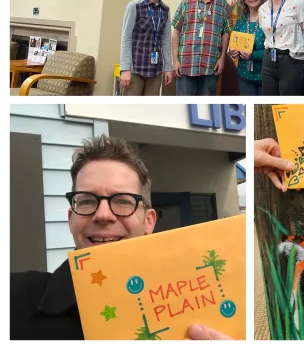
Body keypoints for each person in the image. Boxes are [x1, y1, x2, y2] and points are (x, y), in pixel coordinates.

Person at [10, 135, 232, 340]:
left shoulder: (196, 310)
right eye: (86, 200)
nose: (103, 215)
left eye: (123, 201)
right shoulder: (12, 298)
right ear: (71, 219)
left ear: (149, 222)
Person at [172, 0, 232, 96]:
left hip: (210, 64)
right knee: (184, 105)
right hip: (186, 64)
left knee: (206, 105)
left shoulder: (222, 5)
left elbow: (226, 33)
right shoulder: (186, 3)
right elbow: (176, 31)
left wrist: (222, 58)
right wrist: (175, 60)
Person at [120, 0, 173, 96]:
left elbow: (166, 41)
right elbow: (126, 38)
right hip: (135, 69)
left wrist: (168, 68)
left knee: (149, 108)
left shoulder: (165, 9)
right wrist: (125, 69)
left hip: (155, 70)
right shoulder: (134, 6)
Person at [259, 0, 304, 96]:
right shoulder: (263, 8)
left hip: (292, 59)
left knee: (290, 104)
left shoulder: (298, 2)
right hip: (269, 58)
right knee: (269, 103)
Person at [228, 0, 266, 96]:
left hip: (265, 76)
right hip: (244, 75)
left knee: (262, 111)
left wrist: (253, 55)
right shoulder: (241, 20)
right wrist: (232, 52)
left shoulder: (269, 19)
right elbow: (234, 43)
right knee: (247, 110)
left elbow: (273, 50)